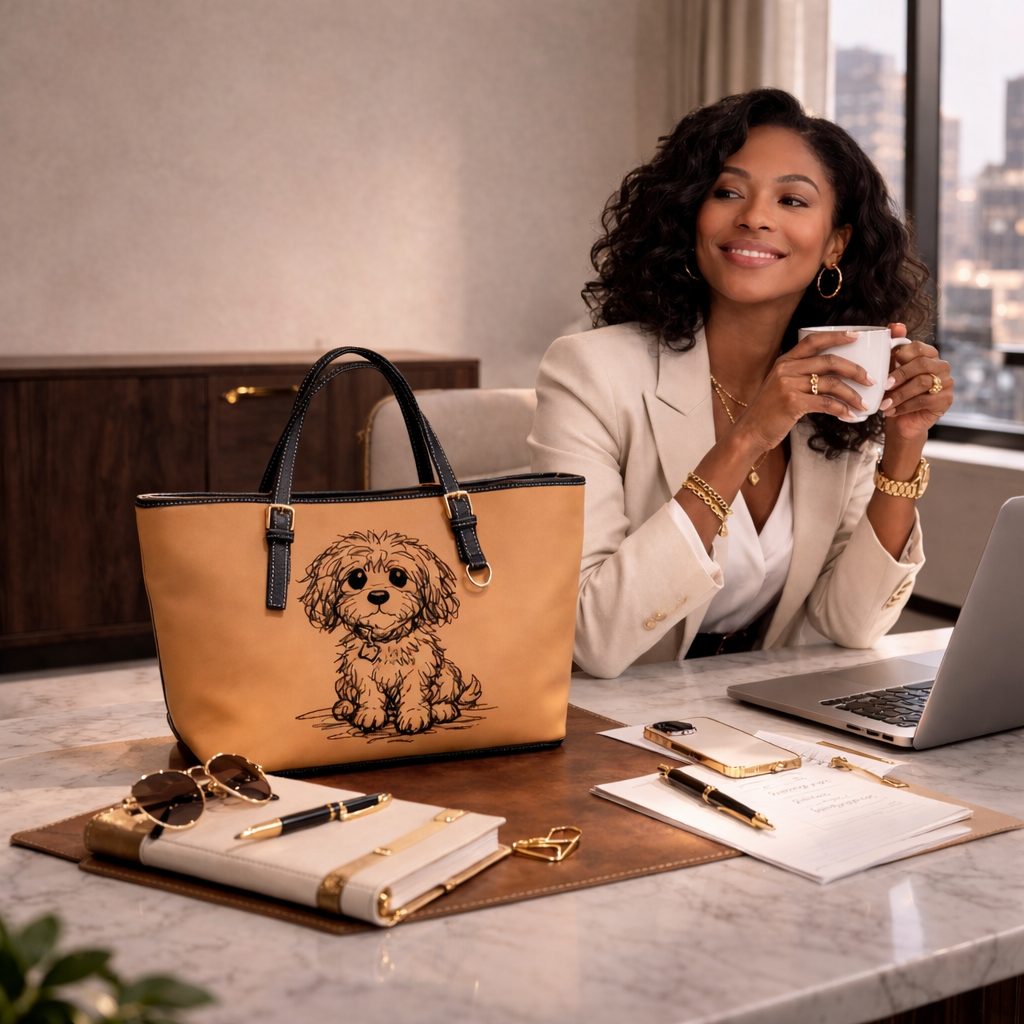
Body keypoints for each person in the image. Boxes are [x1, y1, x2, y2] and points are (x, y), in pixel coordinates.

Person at [528, 88, 954, 679]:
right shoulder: (588, 372)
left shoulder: (840, 384)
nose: (755, 216)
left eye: (792, 200)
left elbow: (851, 625)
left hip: (749, 718)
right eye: (727, 192)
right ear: (689, 216)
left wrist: (904, 444)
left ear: (836, 242)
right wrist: (749, 435)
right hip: (603, 720)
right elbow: (593, 638)